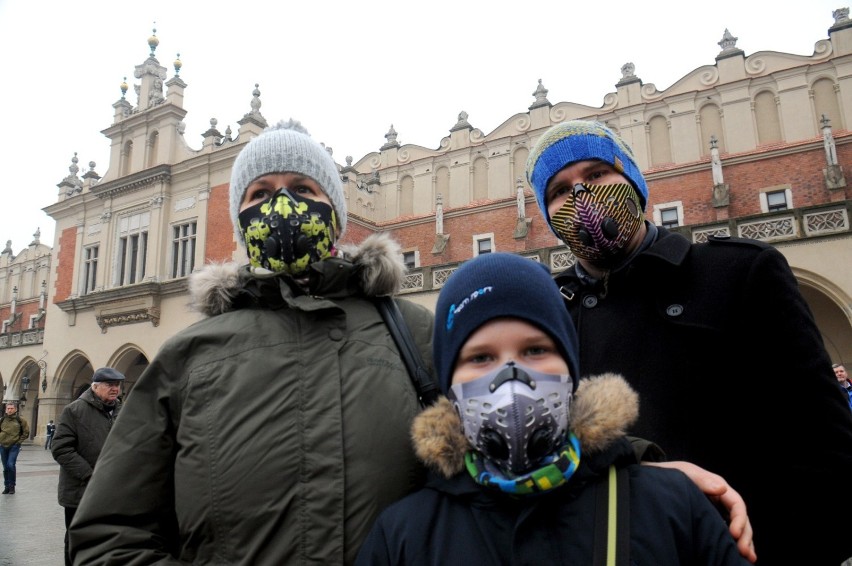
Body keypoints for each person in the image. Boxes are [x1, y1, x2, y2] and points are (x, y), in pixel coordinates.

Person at [67, 119, 436, 565]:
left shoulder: (413, 335)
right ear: (240, 221)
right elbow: (109, 536)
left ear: (335, 214)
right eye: (259, 194)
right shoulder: (189, 356)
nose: (281, 205)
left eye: (303, 189)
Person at [525, 119, 852, 565]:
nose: (582, 196)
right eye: (560, 190)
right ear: (547, 216)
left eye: (597, 174)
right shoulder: (548, 315)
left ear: (634, 181)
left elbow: (823, 444)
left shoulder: (737, 274)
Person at [356, 252, 750, 565]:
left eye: (535, 350)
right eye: (480, 358)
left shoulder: (670, 507)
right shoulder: (404, 536)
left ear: (570, 366)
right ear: (449, 384)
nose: (511, 378)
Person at [51, 367, 125, 566]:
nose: (115, 389)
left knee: (109, 539)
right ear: (95, 386)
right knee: (78, 539)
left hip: (113, 491)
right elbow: (61, 448)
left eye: (117, 385)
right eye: (110, 384)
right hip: (80, 491)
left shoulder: (123, 411)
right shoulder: (74, 410)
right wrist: (90, 476)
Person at [0, 402, 29, 495]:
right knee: (5, 467)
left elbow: (26, 433)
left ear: (15, 409)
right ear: (6, 409)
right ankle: (6, 487)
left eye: (11, 408)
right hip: (3, 446)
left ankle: (12, 486)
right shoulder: (2, 420)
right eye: (8, 408)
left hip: (14, 446)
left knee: (11, 465)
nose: (9, 410)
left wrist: (18, 442)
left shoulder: (20, 420)